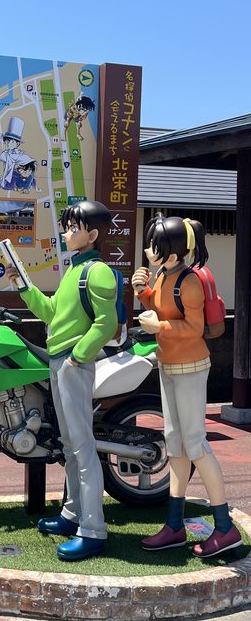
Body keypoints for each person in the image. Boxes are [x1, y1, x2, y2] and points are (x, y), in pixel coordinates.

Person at [5, 200, 117, 561]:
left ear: (92, 234)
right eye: (67, 226)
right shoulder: (76, 269)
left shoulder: (97, 271)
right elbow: (52, 312)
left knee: (82, 447)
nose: (66, 233)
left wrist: (77, 356)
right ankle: (72, 514)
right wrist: (23, 286)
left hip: (73, 363)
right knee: (70, 445)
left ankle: (93, 529)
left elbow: (106, 323)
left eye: (73, 227)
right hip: (61, 361)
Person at [131, 213, 242, 558]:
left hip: (191, 366)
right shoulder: (165, 275)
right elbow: (162, 308)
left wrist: (159, 328)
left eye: (155, 245)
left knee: (195, 443)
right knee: (175, 443)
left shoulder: (189, 281)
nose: (149, 251)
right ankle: (174, 525)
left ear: (173, 250)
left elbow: (192, 327)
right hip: (169, 364)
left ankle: (224, 527)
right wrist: (143, 292)